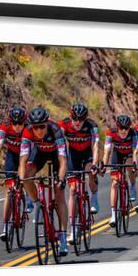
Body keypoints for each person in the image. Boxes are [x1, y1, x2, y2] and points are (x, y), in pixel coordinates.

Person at [19, 107, 69, 256]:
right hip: (39, 153)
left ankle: (63, 237)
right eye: (36, 127)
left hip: (56, 156)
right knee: (27, 176)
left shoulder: (56, 131)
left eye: (42, 126)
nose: (39, 130)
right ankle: (37, 204)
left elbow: (63, 160)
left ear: (47, 123)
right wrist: (22, 179)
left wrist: (60, 179)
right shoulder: (27, 131)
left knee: (59, 193)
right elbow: (22, 160)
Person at [0, 107, 32, 242]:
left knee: (24, 175)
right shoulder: (5, 128)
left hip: (28, 154)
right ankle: (6, 226)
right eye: (14, 123)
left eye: (20, 123)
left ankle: (29, 194)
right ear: (10, 121)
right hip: (12, 155)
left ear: (25, 122)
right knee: (8, 191)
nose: (17, 126)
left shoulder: (30, 128)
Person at [58, 103, 100, 244]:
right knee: (73, 190)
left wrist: (95, 163)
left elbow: (95, 145)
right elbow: (58, 141)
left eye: (81, 119)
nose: (77, 122)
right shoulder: (64, 124)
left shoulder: (92, 126)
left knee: (90, 171)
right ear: (70, 116)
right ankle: (73, 227)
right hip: (73, 156)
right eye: (75, 118)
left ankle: (94, 196)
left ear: (85, 119)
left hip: (87, 154)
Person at [101, 115, 138, 227]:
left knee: (129, 166)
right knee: (115, 183)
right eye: (121, 128)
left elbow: (135, 151)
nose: (123, 131)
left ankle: (132, 186)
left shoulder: (134, 133)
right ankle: (113, 215)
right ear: (117, 127)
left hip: (129, 154)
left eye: (126, 128)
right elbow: (107, 151)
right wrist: (104, 165)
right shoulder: (110, 133)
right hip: (117, 155)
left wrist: (135, 164)